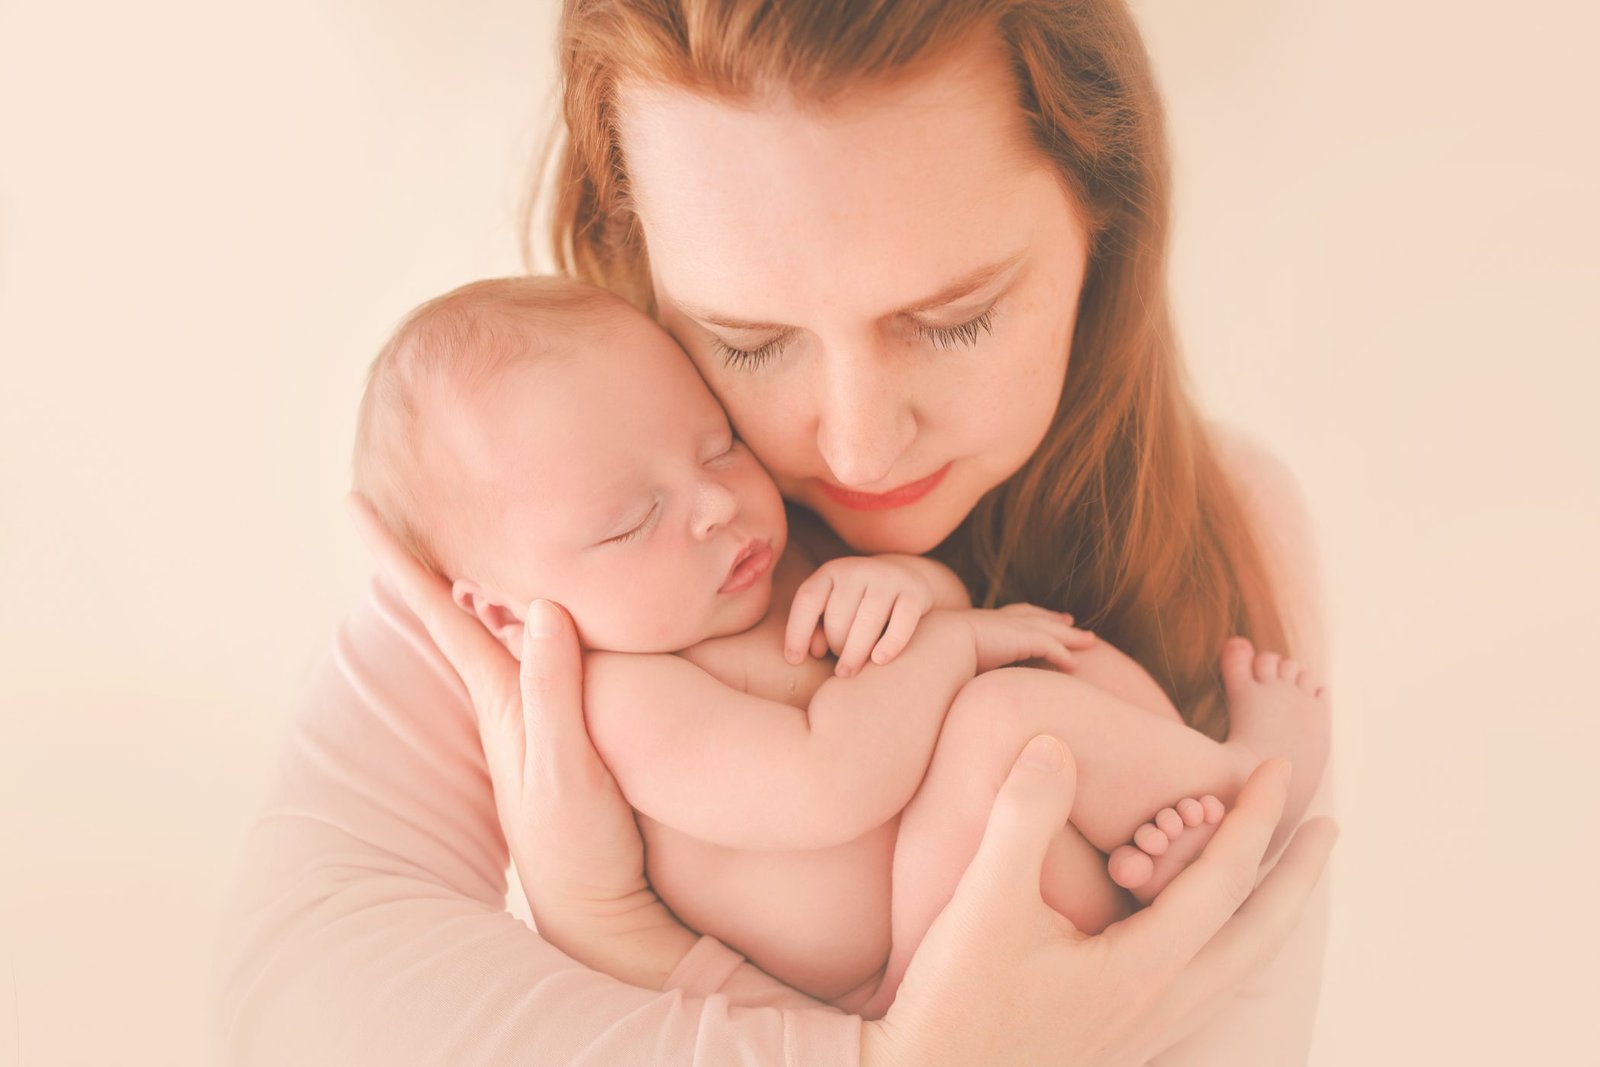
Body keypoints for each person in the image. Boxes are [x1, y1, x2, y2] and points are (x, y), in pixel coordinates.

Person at [212, 1, 1338, 1063]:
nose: (857, 449)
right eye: (747, 342)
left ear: (1107, 217)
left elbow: (1242, 1015)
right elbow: (290, 1014)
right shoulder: (537, 543)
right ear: (641, 251)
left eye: (954, 321)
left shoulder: (1225, 523)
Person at [346, 274, 1329, 1019]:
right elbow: (827, 780)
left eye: (715, 444)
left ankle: (1178, 827)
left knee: (1050, 663)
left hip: (1012, 860)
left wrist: (915, 587)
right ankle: (1246, 785)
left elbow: (913, 635)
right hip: (927, 971)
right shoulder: (621, 699)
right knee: (1001, 707)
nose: (713, 507)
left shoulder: (763, 560)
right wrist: (951, 640)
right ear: (508, 614)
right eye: (628, 520)